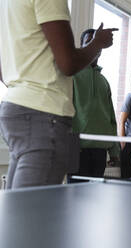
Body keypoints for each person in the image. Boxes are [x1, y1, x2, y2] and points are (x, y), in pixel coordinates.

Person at [0, 0, 117, 189]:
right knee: (31, 214)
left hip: (15, 109)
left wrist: (22, 86)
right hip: (43, 114)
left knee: (17, 209)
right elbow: (68, 63)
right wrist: (98, 43)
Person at [69, 29, 120, 182]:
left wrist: (114, 150)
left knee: (94, 199)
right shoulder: (71, 76)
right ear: (82, 45)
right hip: (77, 149)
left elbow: (111, 117)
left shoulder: (104, 81)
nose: (94, 46)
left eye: (97, 42)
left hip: (100, 151)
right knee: (74, 199)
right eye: (89, 42)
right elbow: (63, 112)